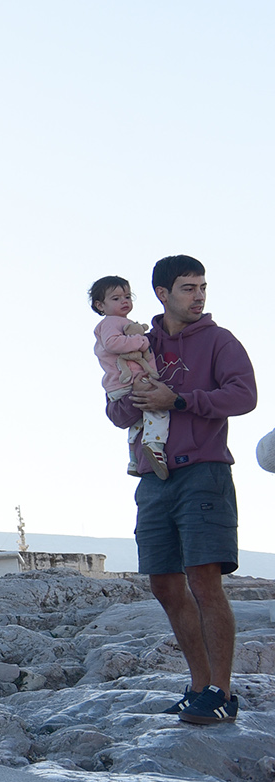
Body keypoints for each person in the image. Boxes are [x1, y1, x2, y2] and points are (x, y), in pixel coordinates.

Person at [106, 255, 256, 726]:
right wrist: (132, 399)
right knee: (165, 584)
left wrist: (182, 399)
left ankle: (222, 692)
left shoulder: (219, 340)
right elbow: (114, 414)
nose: (199, 296)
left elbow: (244, 395)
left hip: (204, 473)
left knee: (203, 581)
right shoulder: (138, 344)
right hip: (153, 477)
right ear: (162, 294)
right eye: (188, 288)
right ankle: (197, 687)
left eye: (202, 287)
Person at [90, 275, 170, 479]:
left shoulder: (119, 322)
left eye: (127, 296)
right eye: (116, 298)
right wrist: (140, 341)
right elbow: (113, 344)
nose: (124, 301)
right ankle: (154, 446)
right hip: (127, 381)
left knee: (138, 421)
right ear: (100, 305)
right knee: (157, 407)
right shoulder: (111, 322)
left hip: (119, 384)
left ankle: (134, 459)